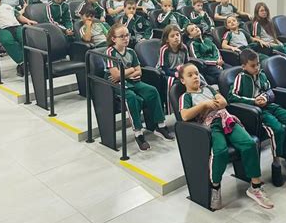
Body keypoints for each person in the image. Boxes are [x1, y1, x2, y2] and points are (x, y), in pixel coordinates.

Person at [179, 63, 273, 210]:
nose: (195, 77)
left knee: (249, 143)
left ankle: (255, 187)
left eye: (196, 73)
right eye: (190, 75)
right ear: (183, 80)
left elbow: (223, 101)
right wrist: (204, 105)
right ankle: (215, 187)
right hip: (210, 127)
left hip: (227, 120)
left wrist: (216, 103)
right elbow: (184, 115)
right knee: (220, 152)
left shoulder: (208, 88)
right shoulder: (186, 96)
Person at [228, 49, 286, 186]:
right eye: (253, 65)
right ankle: (276, 164)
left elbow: (269, 91)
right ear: (244, 66)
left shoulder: (262, 75)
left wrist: (265, 97)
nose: (257, 67)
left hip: (269, 106)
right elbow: (232, 97)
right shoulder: (240, 78)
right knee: (278, 130)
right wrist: (253, 101)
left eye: (258, 64)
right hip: (257, 112)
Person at [105, 23, 174, 151]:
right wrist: (129, 72)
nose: (126, 38)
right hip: (115, 84)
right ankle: (138, 133)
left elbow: (139, 71)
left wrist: (126, 72)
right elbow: (115, 75)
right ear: (114, 39)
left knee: (152, 91)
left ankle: (160, 125)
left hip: (133, 81)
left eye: (127, 35)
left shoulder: (131, 51)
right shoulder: (110, 51)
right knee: (131, 97)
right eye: (122, 36)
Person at [157, 25, 189, 113]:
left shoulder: (184, 48)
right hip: (166, 72)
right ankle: (170, 108)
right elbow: (165, 69)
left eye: (177, 35)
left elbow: (187, 64)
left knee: (195, 76)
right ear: (167, 39)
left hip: (180, 71)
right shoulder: (164, 49)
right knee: (172, 81)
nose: (176, 37)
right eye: (172, 36)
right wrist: (177, 74)